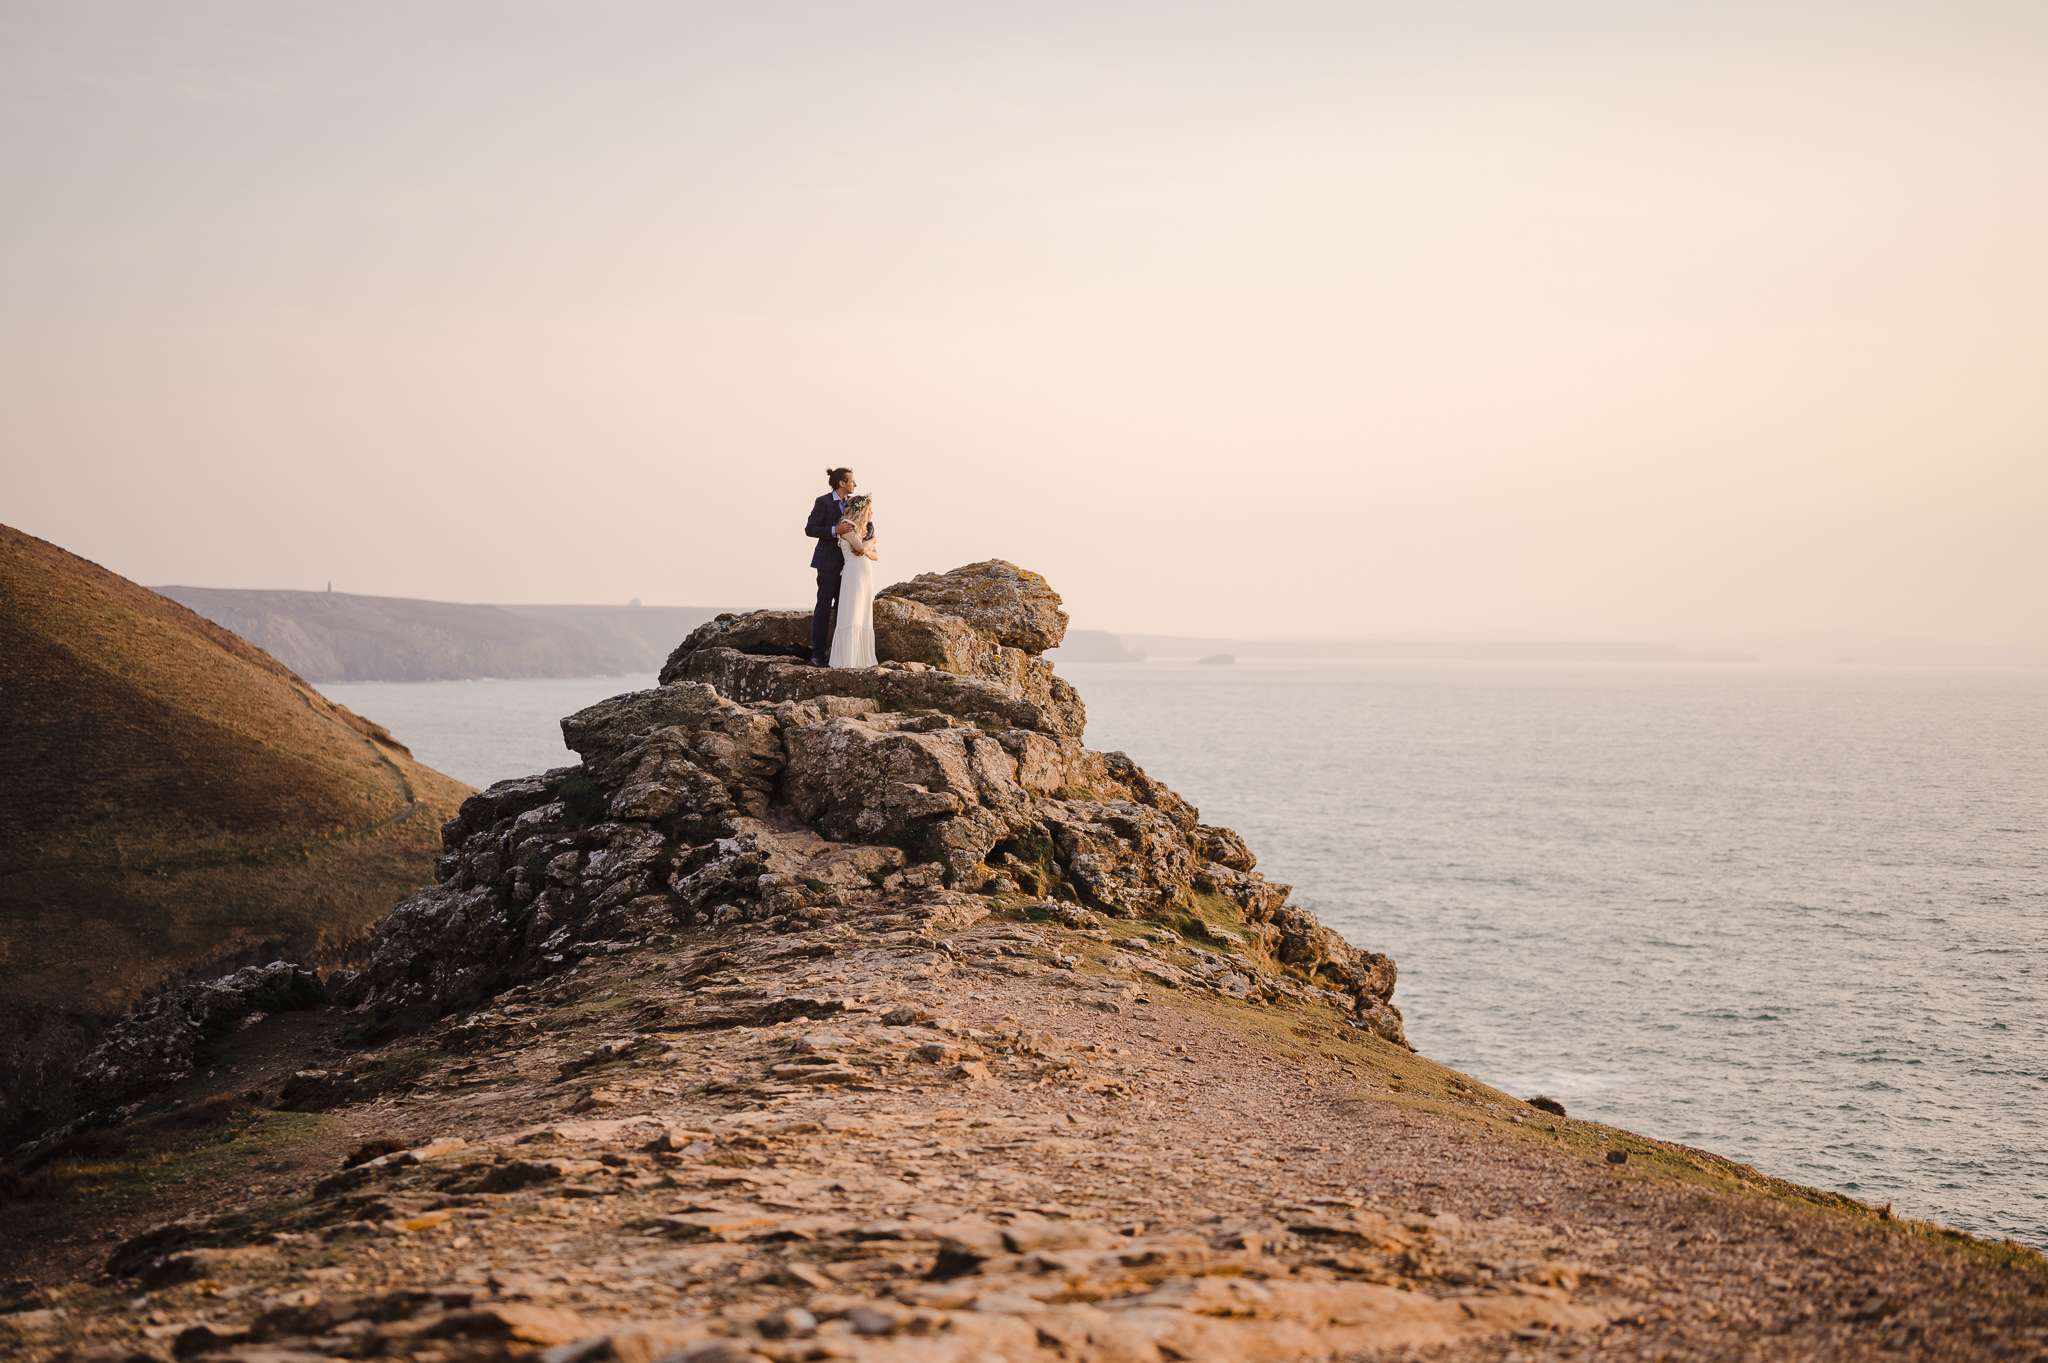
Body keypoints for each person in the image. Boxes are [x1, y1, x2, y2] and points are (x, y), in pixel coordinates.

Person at [804, 468, 874, 666]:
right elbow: (810, 529)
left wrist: (867, 539)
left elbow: (867, 523)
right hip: (827, 564)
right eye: (852, 481)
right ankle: (817, 654)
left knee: (844, 609)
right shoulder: (823, 502)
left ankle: (839, 653)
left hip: (851, 567)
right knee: (824, 607)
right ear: (842, 483)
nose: (855, 484)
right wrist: (835, 530)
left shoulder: (853, 503)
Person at [827, 494, 878, 667]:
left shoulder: (865, 530)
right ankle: (848, 659)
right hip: (853, 574)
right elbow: (859, 548)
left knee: (863, 614)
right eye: (870, 509)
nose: (872, 512)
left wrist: (868, 546)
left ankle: (862, 659)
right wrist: (869, 544)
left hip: (865, 574)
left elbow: (873, 555)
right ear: (862, 510)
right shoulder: (847, 526)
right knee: (852, 612)